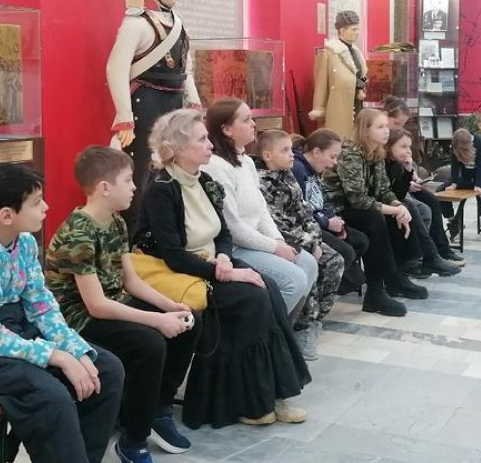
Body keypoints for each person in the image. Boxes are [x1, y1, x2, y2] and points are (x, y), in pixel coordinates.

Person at [0, 163, 123, 463]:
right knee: (49, 395)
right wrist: (57, 357)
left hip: (15, 330)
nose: (46, 207)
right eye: (36, 202)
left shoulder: (24, 242)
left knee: (105, 369)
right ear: (7, 215)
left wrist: (75, 350)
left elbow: (42, 306)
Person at [135, 109, 309, 428]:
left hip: (213, 262)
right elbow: (173, 255)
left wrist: (226, 259)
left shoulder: (204, 180)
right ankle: (249, 402)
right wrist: (223, 270)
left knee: (268, 289)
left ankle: (273, 394)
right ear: (178, 147)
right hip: (181, 271)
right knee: (251, 299)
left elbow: (224, 233)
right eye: (202, 139)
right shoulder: (161, 189)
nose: (210, 145)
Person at [45, 147, 199, 463]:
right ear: (105, 187)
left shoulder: (116, 222)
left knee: (189, 321)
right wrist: (156, 321)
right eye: (128, 180)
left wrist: (170, 307)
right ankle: (134, 438)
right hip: (79, 318)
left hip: (113, 303)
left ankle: (157, 408)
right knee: (150, 343)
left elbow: (131, 282)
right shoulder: (78, 233)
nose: (134, 187)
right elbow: (96, 306)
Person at [107, 0, 202, 219]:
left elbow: (185, 69)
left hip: (174, 105)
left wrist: (194, 101)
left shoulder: (178, 24)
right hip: (145, 105)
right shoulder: (135, 24)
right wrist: (124, 117)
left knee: (173, 172)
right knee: (142, 177)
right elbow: (115, 69)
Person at [201, 99, 318, 317]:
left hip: (256, 241)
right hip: (234, 248)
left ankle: (285, 330)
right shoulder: (217, 167)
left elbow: (261, 209)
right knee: (294, 280)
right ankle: (266, 331)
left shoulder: (246, 162)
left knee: (308, 264)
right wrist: (274, 248)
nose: (253, 124)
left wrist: (279, 242)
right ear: (226, 129)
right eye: (246, 120)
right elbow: (232, 227)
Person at [323, 108, 427, 314]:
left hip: (359, 207)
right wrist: (393, 210)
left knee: (403, 209)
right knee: (375, 218)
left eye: (387, 126)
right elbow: (357, 199)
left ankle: (397, 276)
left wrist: (397, 206)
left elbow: (383, 190)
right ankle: (375, 293)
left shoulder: (377, 153)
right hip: (338, 209)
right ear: (365, 130)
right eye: (380, 127)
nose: (386, 131)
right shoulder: (350, 154)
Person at [257, 129, 347, 360]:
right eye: (285, 150)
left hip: (305, 236)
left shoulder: (287, 175)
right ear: (267, 155)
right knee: (308, 265)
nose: (292, 154)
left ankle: (314, 320)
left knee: (335, 260)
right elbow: (276, 223)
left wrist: (315, 240)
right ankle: (301, 327)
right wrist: (308, 244)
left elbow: (305, 212)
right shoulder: (261, 181)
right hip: (281, 240)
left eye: (290, 149)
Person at [383, 96, 465, 267]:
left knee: (432, 200)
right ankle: (423, 255)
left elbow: (407, 163)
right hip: (393, 188)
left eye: (402, 124)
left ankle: (441, 249)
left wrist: (412, 175)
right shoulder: (383, 138)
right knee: (418, 208)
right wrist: (407, 179)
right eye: (397, 123)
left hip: (403, 183)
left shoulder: (398, 136)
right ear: (386, 116)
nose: (399, 128)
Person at [291, 129, 371, 296]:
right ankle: (323, 290)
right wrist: (327, 222)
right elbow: (300, 209)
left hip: (319, 221)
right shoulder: (297, 169)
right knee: (345, 252)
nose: (334, 163)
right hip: (307, 226)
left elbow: (320, 202)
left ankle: (341, 283)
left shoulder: (314, 171)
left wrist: (333, 219)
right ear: (317, 152)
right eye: (332, 157)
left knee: (360, 241)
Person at [310, 10, 368, 138]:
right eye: (353, 29)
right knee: (339, 138)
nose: (357, 32)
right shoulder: (328, 54)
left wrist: (361, 85)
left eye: (358, 29)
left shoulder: (357, 53)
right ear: (342, 30)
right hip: (338, 105)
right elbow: (321, 85)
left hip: (357, 102)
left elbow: (363, 75)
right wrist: (319, 108)